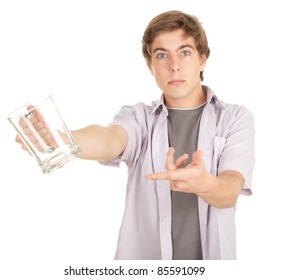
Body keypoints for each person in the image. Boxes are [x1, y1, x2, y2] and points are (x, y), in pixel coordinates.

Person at [16, 10, 255, 260]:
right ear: (151, 65)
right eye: (161, 55)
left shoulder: (235, 118)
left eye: (185, 52)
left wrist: (205, 184)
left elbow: (229, 191)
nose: (174, 65)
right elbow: (110, 139)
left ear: (203, 59)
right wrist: (65, 138)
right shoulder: (139, 117)